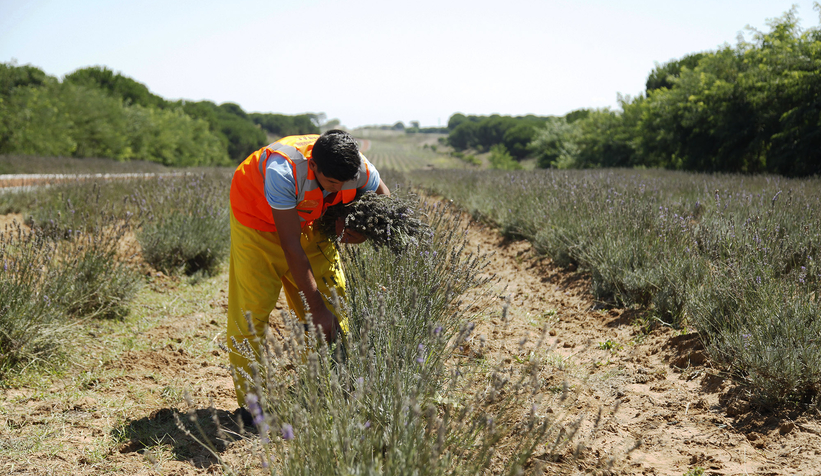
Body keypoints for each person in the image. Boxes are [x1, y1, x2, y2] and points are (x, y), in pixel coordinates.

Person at [227, 129, 389, 408]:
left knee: (334, 304)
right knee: (251, 316)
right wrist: (316, 309)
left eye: (345, 183)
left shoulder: (357, 167)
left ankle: (324, 389)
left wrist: (361, 228)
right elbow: (291, 247)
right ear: (313, 166)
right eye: (331, 183)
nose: (338, 189)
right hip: (257, 224)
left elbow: (384, 202)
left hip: (308, 222)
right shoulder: (283, 172)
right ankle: (252, 407)